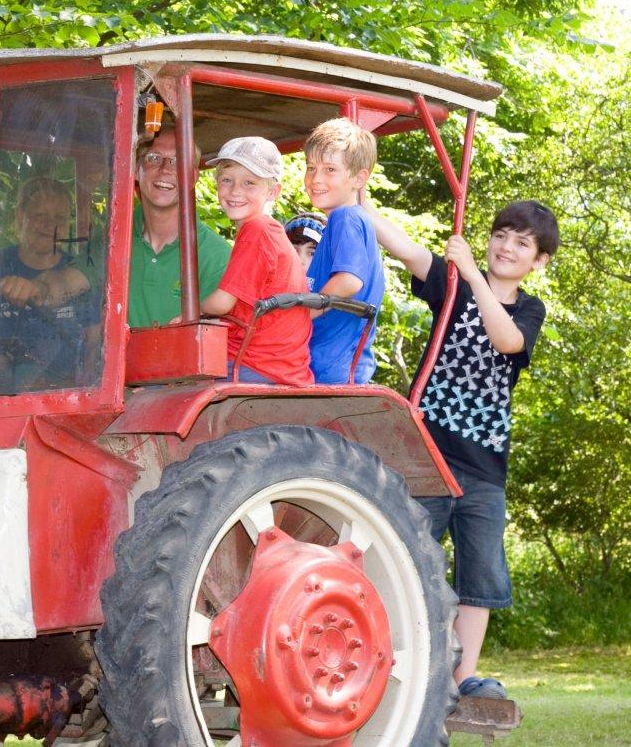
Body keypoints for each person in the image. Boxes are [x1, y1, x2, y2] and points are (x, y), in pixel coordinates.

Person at [365, 199, 560, 700]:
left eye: (522, 243)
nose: (506, 247)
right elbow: (407, 250)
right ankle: (390, 662)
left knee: (481, 574)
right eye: (501, 235)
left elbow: (507, 341)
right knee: (404, 559)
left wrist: (473, 274)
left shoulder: (528, 308)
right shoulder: (451, 285)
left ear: (538, 261)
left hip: (484, 465)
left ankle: (463, 676)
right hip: (426, 453)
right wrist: (361, 205)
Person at [198, 136, 313, 386]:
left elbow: (221, 303)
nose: (235, 191)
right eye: (226, 180)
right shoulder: (267, 231)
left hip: (256, 364)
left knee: (160, 385)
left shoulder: (257, 230)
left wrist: (190, 311)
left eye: (249, 182)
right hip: (276, 364)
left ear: (273, 191)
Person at [0, 177, 97, 393]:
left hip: (65, 396)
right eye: (40, 216)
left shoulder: (79, 275)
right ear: (20, 216)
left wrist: (74, 386)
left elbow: (93, 347)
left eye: (59, 218)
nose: (50, 225)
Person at [303, 118, 385, 384]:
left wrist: (300, 315)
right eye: (311, 168)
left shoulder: (345, 217)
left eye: (330, 169)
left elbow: (349, 281)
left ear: (359, 178)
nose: (316, 179)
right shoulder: (346, 223)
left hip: (329, 368)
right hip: (336, 366)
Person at [128, 125, 231, 327]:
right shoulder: (111, 241)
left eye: (178, 161)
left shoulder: (216, 256)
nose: (165, 169)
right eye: (154, 158)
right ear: (136, 169)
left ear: (193, 178)